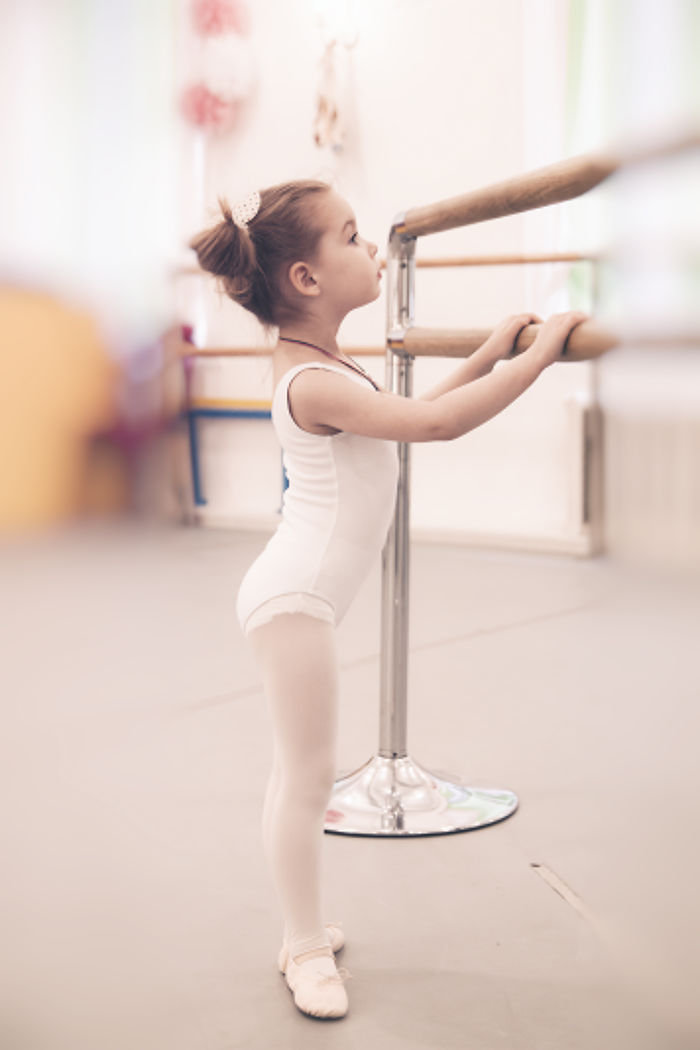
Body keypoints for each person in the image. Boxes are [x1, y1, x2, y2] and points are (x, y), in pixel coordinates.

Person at [189, 179, 588, 1020]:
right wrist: (540, 357)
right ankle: (303, 948)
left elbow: (410, 413)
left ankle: (302, 932)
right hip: (294, 600)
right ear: (305, 279)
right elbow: (438, 427)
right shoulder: (313, 381)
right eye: (351, 236)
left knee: (294, 778)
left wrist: (492, 354)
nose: (372, 248)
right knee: (305, 782)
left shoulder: (326, 366)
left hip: (296, 596)